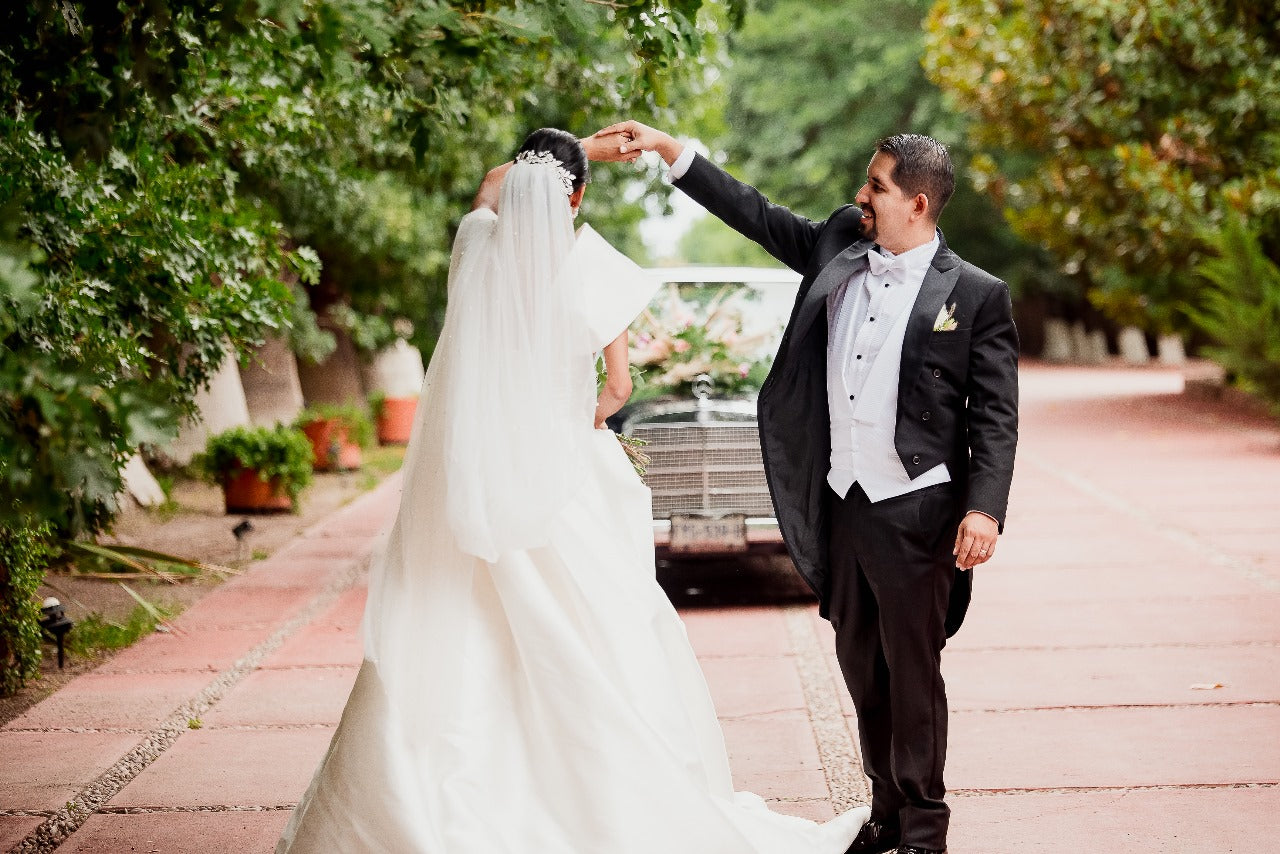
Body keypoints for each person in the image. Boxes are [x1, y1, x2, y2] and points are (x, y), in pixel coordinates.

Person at [276, 127, 869, 853]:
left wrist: (568, 151)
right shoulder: (597, 271)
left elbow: (492, 190)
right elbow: (616, 390)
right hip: (568, 483)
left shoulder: (476, 247)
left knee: (469, 627)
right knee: (600, 634)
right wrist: (560, 417)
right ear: (577, 197)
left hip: (485, 478)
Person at [596, 121, 1019, 854]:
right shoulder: (837, 244)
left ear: (917, 203)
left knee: (914, 674)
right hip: (844, 504)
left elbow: (998, 416)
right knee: (861, 665)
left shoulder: (976, 295)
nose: (862, 194)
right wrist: (672, 150)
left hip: (919, 508)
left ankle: (924, 829)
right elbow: (754, 213)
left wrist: (984, 507)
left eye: (877, 186)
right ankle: (885, 810)